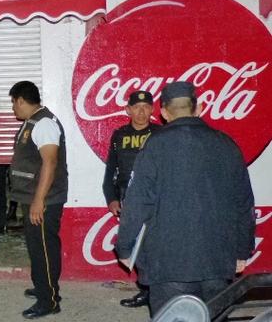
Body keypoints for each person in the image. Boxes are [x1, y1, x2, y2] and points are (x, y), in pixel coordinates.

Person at [116, 81, 256, 316]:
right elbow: (244, 204)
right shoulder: (227, 144)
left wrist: (124, 247)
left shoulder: (154, 146)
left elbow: (137, 203)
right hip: (217, 259)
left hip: (168, 262)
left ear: (162, 112)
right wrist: (242, 250)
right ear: (199, 108)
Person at [8, 81, 68, 319]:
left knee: (43, 249)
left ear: (21, 100)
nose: (13, 108)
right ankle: (45, 288)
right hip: (35, 197)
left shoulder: (43, 123)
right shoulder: (32, 122)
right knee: (39, 248)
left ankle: (49, 300)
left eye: (13, 103)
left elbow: (50, 162)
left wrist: (38, 200)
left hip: (44, 200)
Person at [102, 90, 160, 308]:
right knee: (136, 247)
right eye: (136, 107)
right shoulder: (119, 135)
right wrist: (112, 198)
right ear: (128, 109)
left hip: (156, 200)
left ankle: (154, 291)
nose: (141, 111)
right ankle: (146, 290)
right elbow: (111, 171)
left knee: (154, 247)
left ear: (153, 110)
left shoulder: (161, 134)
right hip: (129, 200)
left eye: (146, 107)